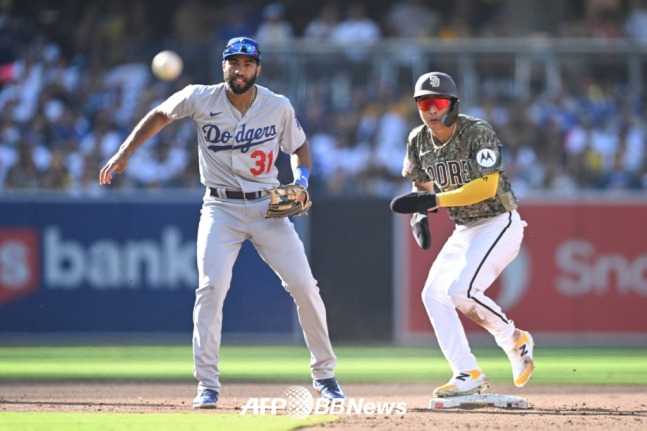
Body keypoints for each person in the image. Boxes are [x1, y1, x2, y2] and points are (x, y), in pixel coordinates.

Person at [99, 37, 344, 408]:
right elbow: (160, 115)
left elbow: (300, 148)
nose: (240, 69)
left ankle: (325, 375)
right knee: (211, 288)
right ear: (223, 66)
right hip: (220, 208)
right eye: (233, 62)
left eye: (247, 63)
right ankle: (207, 384)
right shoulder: (200, 96)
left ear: (258, 69)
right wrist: (124, 152)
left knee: (304, 286)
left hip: (267, 207)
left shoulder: (277, 106)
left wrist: (302, 181)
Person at [390, 71, 534, 398]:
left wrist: (435, 200)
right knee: (433, 295)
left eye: (438, 102)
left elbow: (487, 186)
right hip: (464, 229)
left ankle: (514, 340)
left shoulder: (476, 132)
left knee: (461, 292)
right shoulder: (418, 139)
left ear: (453, 104)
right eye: (424, 102)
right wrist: (420, 213)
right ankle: (466, 371)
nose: (431, 109)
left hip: (499, 222)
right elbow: (422, 183)